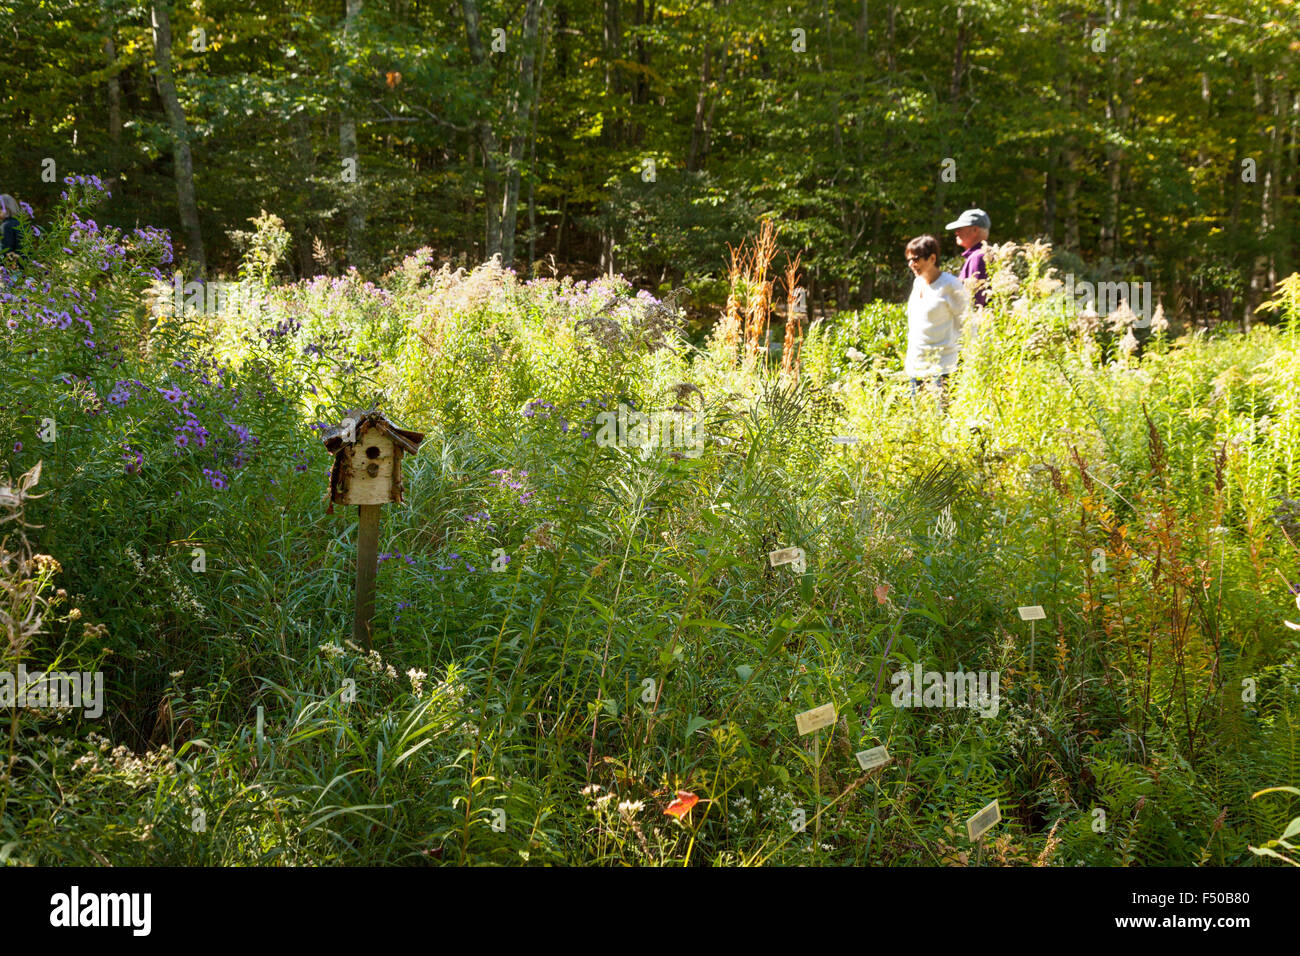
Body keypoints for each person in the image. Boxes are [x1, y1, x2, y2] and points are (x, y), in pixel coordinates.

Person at [904, 234, 967, 409]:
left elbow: (968, 324)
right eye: (909, 260)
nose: (911, 264)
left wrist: (973, 359)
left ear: (932, 258)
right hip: (916, 365)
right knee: (919, 423)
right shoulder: (918, 284)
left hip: (942, 367)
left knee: (941, 421)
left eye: (915, 259)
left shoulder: (951, 285)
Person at [945, 208, 990, 307]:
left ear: (975, 230)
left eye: (959, 229)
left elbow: (976, 301)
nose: (956, 232)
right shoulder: (982, 254)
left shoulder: (978, 257)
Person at [0, 194, 23, 263]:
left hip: (11, 269)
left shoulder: (6, 226)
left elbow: (5, 250)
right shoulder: (21, 224)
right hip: (24, 267)